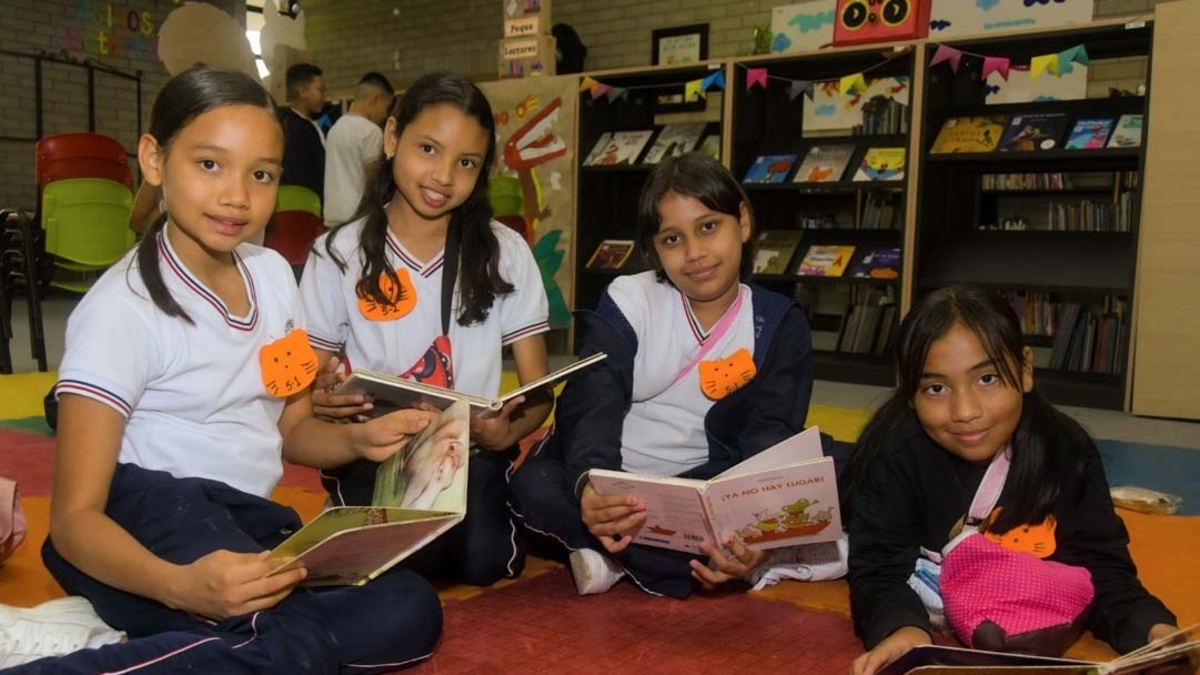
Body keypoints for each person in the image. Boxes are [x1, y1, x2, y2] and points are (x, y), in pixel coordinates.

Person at [11, 65, 442, 674]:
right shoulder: (119, 311)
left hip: (245, 520)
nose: (238, 196)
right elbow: (75, 518)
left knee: (408, 612)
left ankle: (136, 641)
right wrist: (179, 585)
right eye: (209, 164)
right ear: (155, 160)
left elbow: (292, 425)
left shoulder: (271, 276)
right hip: (143, 517)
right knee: (293, 647)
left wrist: (354, 439)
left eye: (261, 174)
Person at [510, 152, 820, 598]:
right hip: (618, 479)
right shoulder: (631, 299)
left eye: (709, 227)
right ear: (654, 249)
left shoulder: (777, 322)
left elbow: (771, 433)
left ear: (744, 223)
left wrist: (753, 530)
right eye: (672, 239)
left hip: (704, 481)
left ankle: (614, 556)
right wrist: (593, 486)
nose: (695, 253)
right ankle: (636, 552)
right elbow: (592, 398)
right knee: (532, 486)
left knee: (836, 467)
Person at [842, 285, 1177, 675]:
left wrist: (1148, 628)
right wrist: (901, 630)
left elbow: (1102, 567)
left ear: (1025, 369)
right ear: (909, 391)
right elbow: (878, 570)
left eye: (987, 379)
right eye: (936, 388)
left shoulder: (1067, 452)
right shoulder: (896, 453)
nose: (965, 411)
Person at [299, 71, 552, 587]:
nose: (443, 176)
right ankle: (351, 504)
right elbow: (308, 386)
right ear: (392, 139)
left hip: (469, 453)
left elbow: (540, 394)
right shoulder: (337, 253)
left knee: (485, 562)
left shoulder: (506, 252)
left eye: (466, 163)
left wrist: (509, 428)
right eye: (428, 149)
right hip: (373, 448)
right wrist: (320, 396)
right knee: (397, 564)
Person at [323, 72, 395, 228]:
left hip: (332, 216)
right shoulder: (371, 131)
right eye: (386, 107)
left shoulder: (335, 129)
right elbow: (373, 180)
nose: (385, 115)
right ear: (376, 99)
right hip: (357, 219)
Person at [278, 63, 327, 206]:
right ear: (303, 91)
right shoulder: (290, 127)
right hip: (300, 206)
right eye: (320, 90)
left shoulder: (310, 124)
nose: (324, 96)